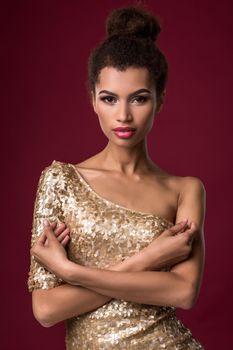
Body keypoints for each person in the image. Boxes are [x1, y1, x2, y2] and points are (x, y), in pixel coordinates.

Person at [27, 4, 206, 349]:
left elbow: (183, 293)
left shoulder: (186, 190)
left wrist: (71, 273)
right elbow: (46, 309)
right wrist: (149, 259)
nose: (123, 115)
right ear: (93, 99)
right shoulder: (60, 181)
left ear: (160, 100)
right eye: (109, 99)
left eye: (139, 99)